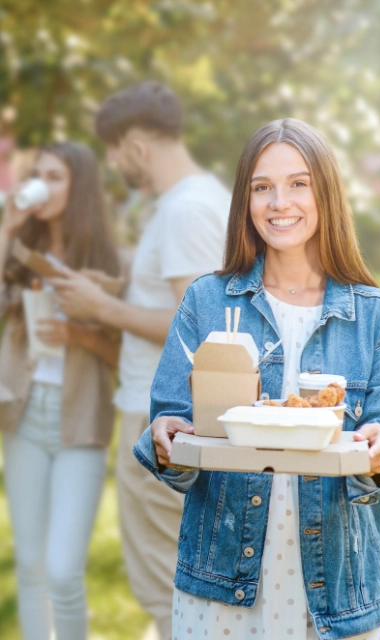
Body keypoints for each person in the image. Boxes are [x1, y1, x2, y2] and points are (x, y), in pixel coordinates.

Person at [133, 118, 380, 640]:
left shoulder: (379, 318)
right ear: (245, 200)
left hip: (334, 590)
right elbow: (168, 428)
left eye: (298, 183)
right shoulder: (206, 302)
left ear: (326, 193)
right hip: (219, 586)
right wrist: (167, 438)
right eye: (261, 187)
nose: (278, 202)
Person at [50, 81, 231, 639]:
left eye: (112, 150)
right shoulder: (194, 202)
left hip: (161, 421)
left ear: (136, 146)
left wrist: (103, 305)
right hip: (167, 419)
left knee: (168, 590)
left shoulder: (185, 210)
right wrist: (118, 289)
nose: (112, 163)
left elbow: (201, 333)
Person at [0, 141, 122, 640]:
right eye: (39, 175)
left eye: (56, 177)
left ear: (81, 188)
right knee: (29, 565)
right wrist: (7, 226)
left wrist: (80, 334)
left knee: (62, 570)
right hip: (23, 416)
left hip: (81, 422)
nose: (43, 187)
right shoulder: (19, 253)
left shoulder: (112, 264)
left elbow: (126, 357)